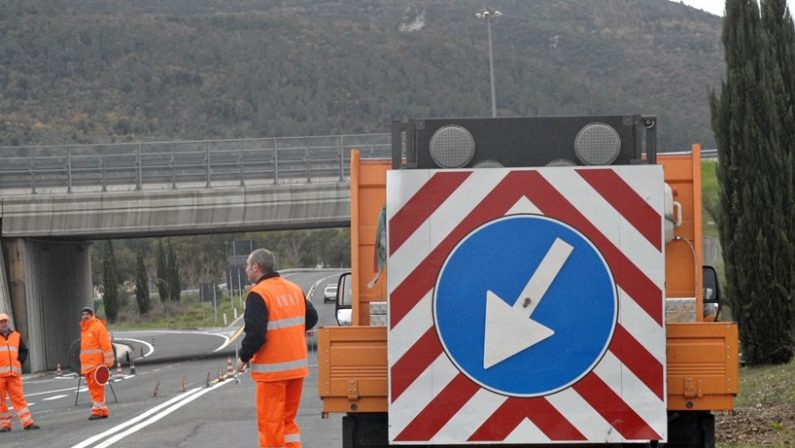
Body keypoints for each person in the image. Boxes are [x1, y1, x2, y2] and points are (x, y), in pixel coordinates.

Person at [237, 249, 318, 448]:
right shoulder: (293, 288)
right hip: (296, 370)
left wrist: (243, 358)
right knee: (287, 422)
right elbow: (312, 317)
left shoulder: (259, 294)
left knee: (270, 424)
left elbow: (256, 334)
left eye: (248, 265)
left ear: (256, 267)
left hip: (272, 372)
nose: (246, 269)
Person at [0, 312, 40, 432]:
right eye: (1, 322)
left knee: (19, 399)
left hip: (14, 375)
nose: (4, 324)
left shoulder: (16, 336)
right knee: (0, 401)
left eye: (5, 321)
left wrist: (18, 361)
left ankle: (27, 422)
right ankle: (5, 424)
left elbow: (23, 351)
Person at [79, 307, 114, 420]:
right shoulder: (85, 329)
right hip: (88, 366)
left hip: (96, 364)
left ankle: (98, 411)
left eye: (87, 314)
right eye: (83, 314)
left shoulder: (98, 327)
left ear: (92, 315)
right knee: (94, 388)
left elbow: (106, 345)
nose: (85, 316)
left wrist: (108, 363)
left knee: (96, 388)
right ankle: (102, 410)